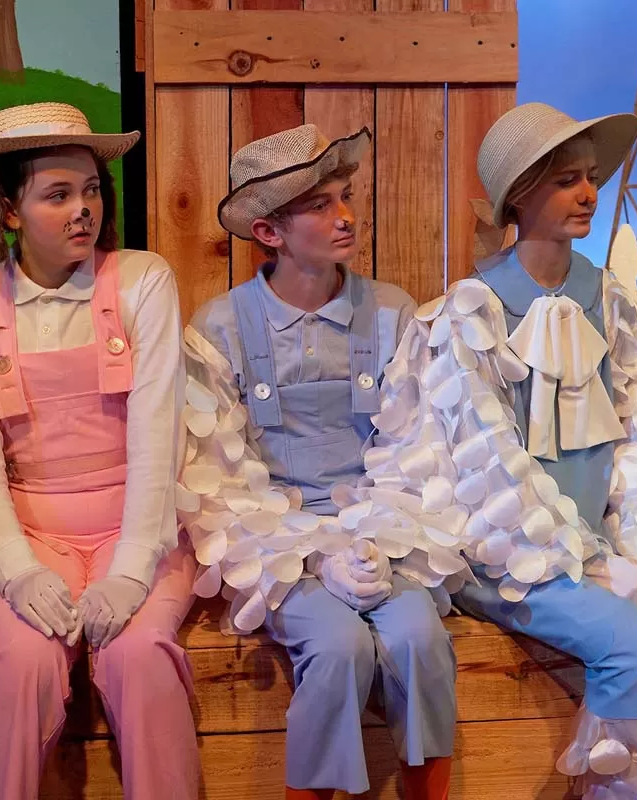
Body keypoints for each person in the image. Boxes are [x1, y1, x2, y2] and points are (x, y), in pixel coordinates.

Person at [369, 102, 637, 799]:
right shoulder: (467, 314)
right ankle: (620, 777)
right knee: (633, 645)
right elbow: (488, 472)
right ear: (520, 196)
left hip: (612, 540)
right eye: (567, 180)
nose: (589, 193)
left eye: (592, 176)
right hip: (516, 561)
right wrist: (589, 567)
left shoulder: (609, 299)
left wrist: (636, 543)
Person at [0, 102, 199, 800]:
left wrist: (132, 570)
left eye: (91, 190)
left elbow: (158, 431)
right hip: (29, 535)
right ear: (8, 211)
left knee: (141, 656)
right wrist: (17, 570)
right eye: (57, 194)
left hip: (138, 529)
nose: (84, 210)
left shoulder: (142, 280)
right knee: (22, 664)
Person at [179, 123, 458, 800]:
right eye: (319, 204)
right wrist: (307, 556)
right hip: (273, 543)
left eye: (346, 196)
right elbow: (217, 474)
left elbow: (416, 445)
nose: (345, 216)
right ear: (268, 232)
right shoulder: (219, 327)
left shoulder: (390, 313)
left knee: (420, 639)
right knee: (338, 648)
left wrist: (378, 540)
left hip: (381, 532)